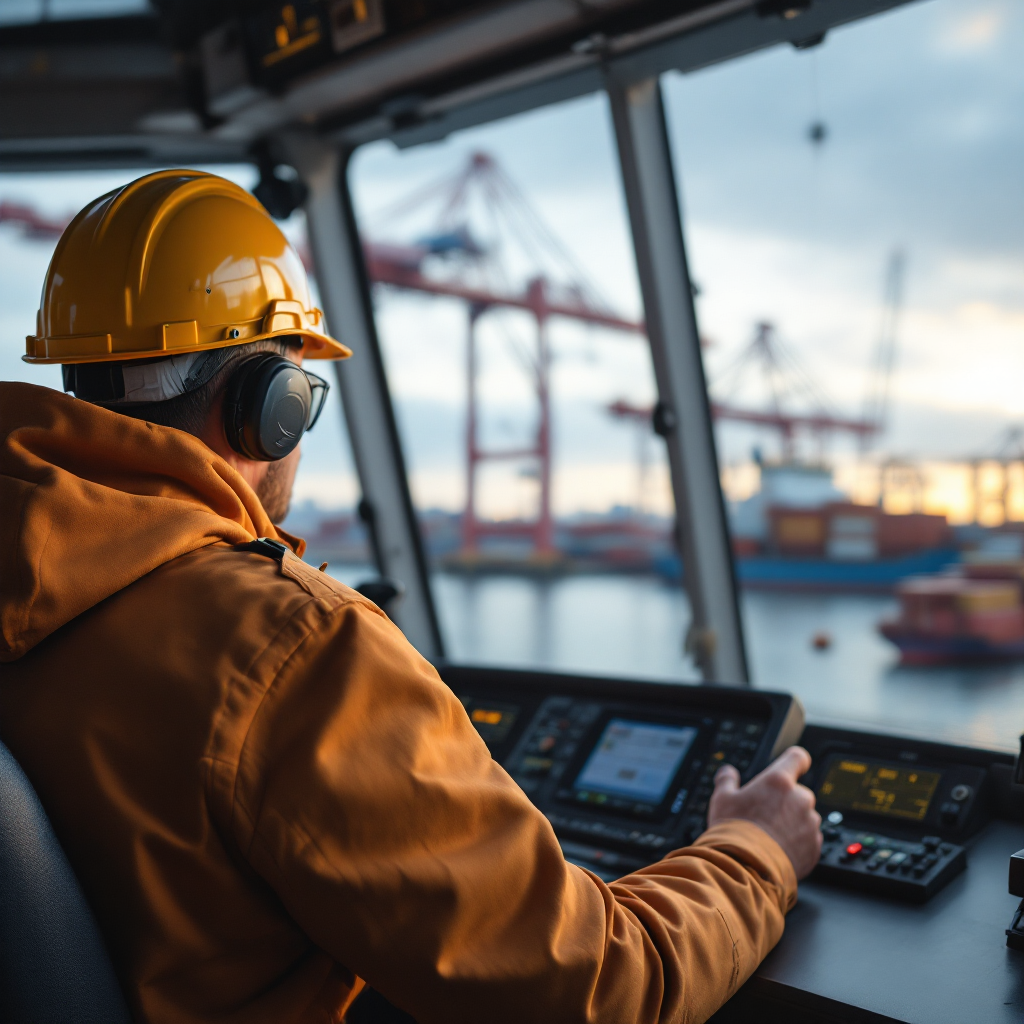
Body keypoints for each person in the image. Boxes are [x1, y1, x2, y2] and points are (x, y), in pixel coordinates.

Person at [0, 169, 821, 1024]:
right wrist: (755, 850)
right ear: (266, 408)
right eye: (301, 391)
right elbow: (595, 993)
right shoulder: (295, 648)